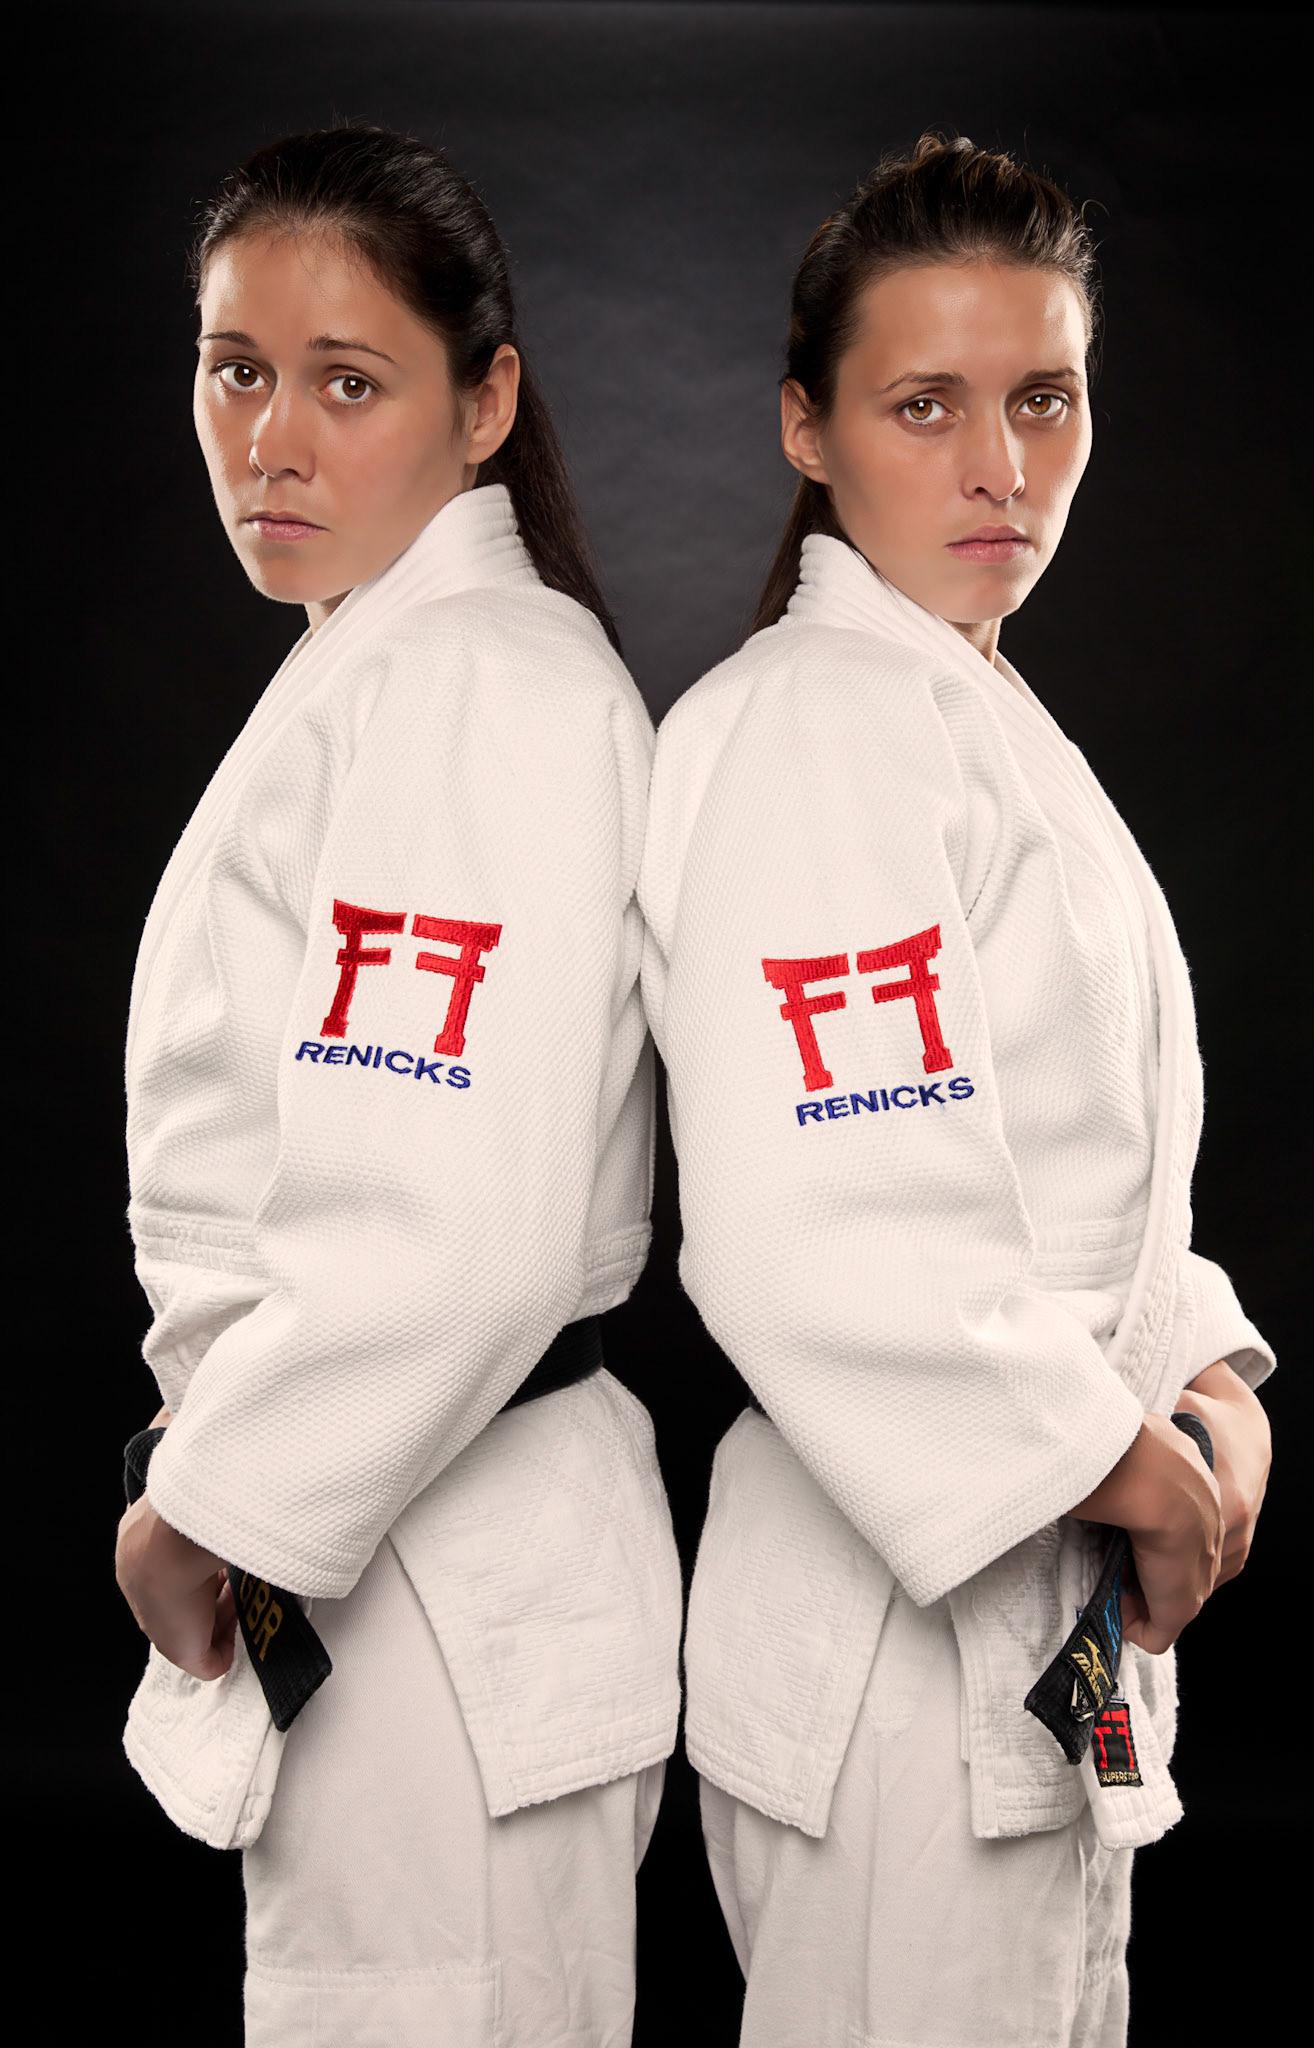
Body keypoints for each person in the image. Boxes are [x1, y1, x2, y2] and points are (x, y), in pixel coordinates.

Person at [638, 134, 1273, 2046]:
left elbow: (1086, 1174)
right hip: (898, 1665)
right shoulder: (812, 727)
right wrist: (1121, 1464)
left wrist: (1209, 1383)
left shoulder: (964, 709)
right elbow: (825, 1223)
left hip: (1027, 1613)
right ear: (806, 431)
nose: (998, 465)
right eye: (924, 405)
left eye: (1041, 398)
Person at [113, 124, 681, 2045]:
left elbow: (462, 1232)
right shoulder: (394, 662)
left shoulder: (472, 687)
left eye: (347, 382)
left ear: (484, 402)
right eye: (233, 365)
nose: (270, 437)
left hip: (432, 1596)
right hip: (415, 1579)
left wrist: (205, 1508)